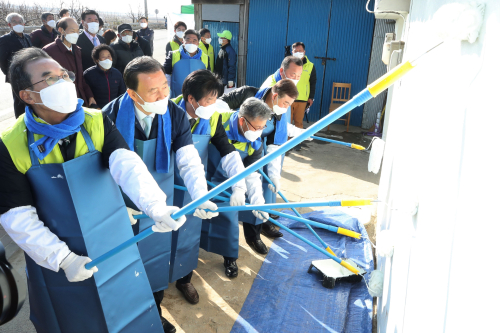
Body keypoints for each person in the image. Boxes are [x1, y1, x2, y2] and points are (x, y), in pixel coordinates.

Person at [0, 47, 189, 333]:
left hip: (109, 238)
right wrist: (63, 259)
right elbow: (17, 217)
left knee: (124, 299)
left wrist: (156, 206)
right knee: (73, 315)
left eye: (64, 74)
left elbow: (127, 165)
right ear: (26, 95)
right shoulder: (10, 143)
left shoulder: (95, 120)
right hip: (54, 250)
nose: (63, 82)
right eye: (49, 79)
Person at [103, 57, 219, 333]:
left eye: (165, 86)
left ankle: (154, 311)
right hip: (121, 203)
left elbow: (189, 160)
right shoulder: (107, 116)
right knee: (121, 263)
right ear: (132, 93)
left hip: (159, 201)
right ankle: (127, 316)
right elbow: (104, 167)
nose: (163, 95)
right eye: (153, 91)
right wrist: (115, 204)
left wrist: (200, 194)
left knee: (155, 258)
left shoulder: (174, 114)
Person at [172, 69, 250, 283]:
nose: (212, 106)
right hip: (167, 185)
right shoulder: (167, 113)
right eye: (208, 100)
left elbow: (227, 150)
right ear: (190, 98)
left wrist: (239, 185)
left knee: (188, 233)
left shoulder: (212, 117)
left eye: (215, 100)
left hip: (194, 185)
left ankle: (184, 279)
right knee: (164, 235)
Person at [221, 79, 306, 253]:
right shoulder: (247, 94)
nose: (286, 107)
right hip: (226, 142)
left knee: (258, 189)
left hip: (253, 150)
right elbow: (218, 105)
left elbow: (275, 145)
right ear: (275, 96)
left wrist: (274, 175)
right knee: (226, 199)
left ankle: (256, 232)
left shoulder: (275, 118)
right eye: (285, 103)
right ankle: (227, 249)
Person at [204, 97, 271, 276]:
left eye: (263, 127)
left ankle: (230, 257)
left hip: (230, 181)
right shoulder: (217, 120)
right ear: (242, 120)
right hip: (202, 177)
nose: (259, 132)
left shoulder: (255, 142)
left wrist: (257, 200)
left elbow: (252, 172)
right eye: (256, 127)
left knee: (229, 219)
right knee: (195, 219)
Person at [43, 17, 96, 107]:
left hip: (79, 99)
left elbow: (80, 77)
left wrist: (90, 95)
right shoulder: (49, 51)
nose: (76, 34)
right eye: (72, 31)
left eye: (77, 31)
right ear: (61, 30)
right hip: (61, 102)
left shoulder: (77, 50)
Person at [0, 12, 32, 118]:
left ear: (23, 24)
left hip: (30, 74)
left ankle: (32, 121)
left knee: (31, 99)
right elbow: (2, 61)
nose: (18, 24)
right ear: (9, 25)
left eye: (20, 21)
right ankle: (20, 124)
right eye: (14, 22)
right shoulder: (5, 39)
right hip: (17, 76)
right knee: (20, 102)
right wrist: (12, 74)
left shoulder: (27, 37)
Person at [164, 29, 209, 97]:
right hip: (176, 96)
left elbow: (208, 77)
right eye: (188, 40)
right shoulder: (173, 55)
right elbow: (165, 74)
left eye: (194, 40)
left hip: (197, 96)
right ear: (183, 41)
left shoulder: (205, 57)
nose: (191, 43)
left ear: (198, 43)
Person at [290, 42, 317, 150]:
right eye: (296, 51)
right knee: (287, 123)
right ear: (292, 52)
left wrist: (311, 97)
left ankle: (297, 143)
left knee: (298, 122)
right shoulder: (288, 64)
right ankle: (285, 144)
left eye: (300, 51)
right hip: (289, 98)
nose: (298, 53)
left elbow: (313, 82)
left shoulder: (310, 66)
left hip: (302, 99)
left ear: (304, 52)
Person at [83, 44, 126, 108]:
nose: (107, 59)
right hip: (97, 111)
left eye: (109, 56)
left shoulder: (117, 73)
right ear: (97, 59)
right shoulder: (88, 74)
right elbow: (87, 93)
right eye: (103, 57)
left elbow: (122, 93)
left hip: (113, 110)